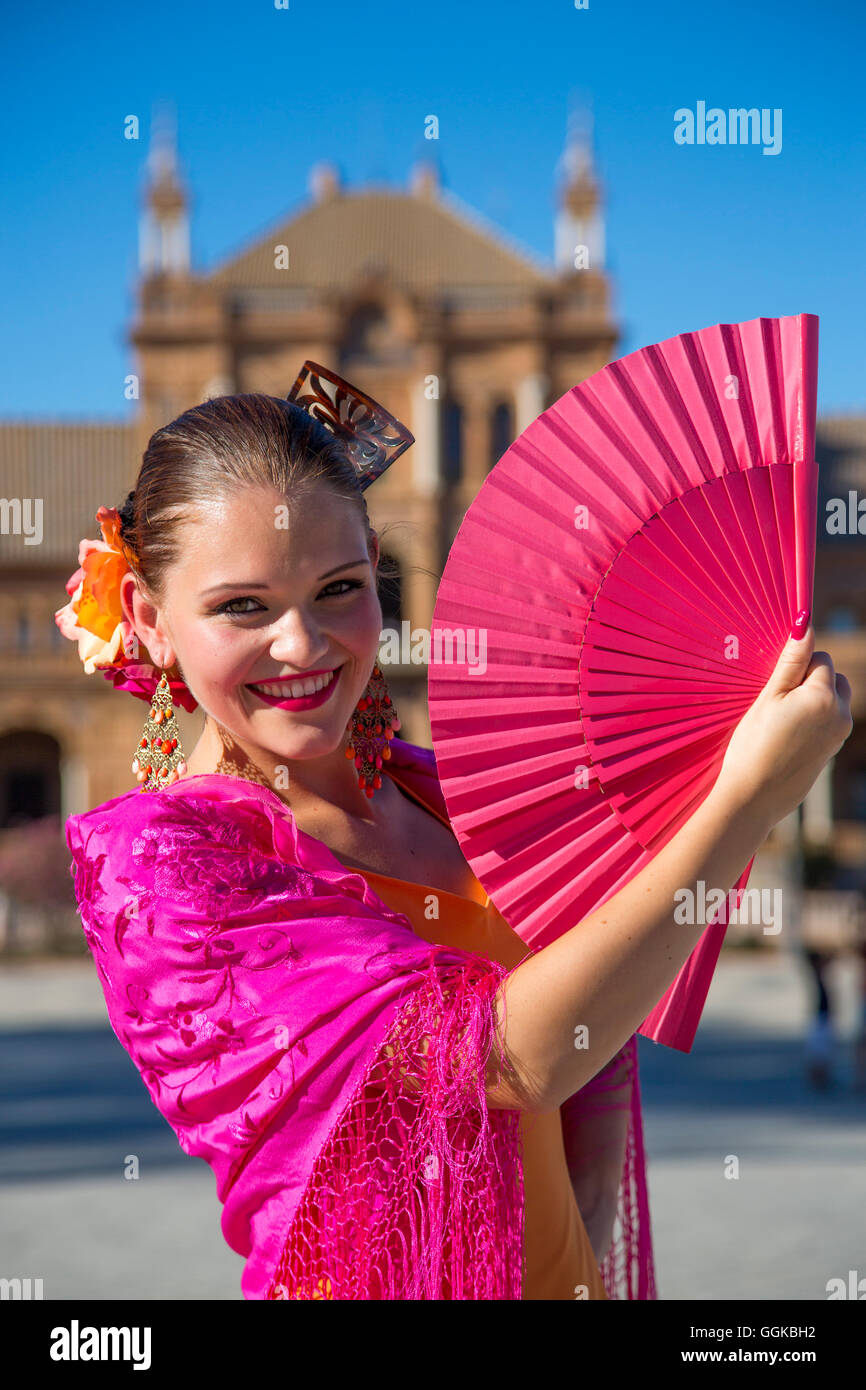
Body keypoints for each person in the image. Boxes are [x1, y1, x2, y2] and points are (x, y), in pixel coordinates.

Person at [57, 376, 853, 1301]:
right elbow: (502, 1057)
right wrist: (746, 803)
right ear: (150, 621)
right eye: (243, 607)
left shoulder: (445, 788)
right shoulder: (164, 870)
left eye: (339, 588)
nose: (303, 644)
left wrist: (586, 1231)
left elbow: (587, 1024)